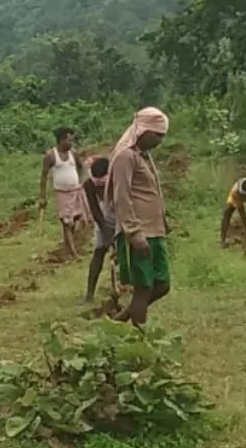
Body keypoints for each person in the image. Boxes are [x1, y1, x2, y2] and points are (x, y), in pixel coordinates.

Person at [107, 107, 170, 326]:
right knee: (144, 288)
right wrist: (133, 233)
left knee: (162, 284)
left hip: (155, 230)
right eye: (157, 134)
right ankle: (139, 341)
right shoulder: (125, 157)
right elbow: (121, 197)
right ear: (143, 131)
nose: (160, 140)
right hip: (139, 231)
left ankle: (121, 319)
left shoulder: (144, 157)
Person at [40, 127, 89, 259]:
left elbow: (82, 167)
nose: (71, 143)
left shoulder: (73, 153)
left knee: (76, 218)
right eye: (69, 140)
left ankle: (69, 246)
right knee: (67, 223)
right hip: (62, 193)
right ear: (61, 140)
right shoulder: (51, 155)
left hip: (75, 191)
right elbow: (43, 176)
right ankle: (73, 253)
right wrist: (42, 197)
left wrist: (81, 181)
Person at [82, 156, 116, 305]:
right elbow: (95, 210)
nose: (102, 189)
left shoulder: (118, 177)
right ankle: (89, 294)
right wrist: (106, 232)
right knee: (99, 251)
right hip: (105, 214)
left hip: (125, 211)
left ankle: (129, 288)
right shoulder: (89, 184)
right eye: (99, 186)